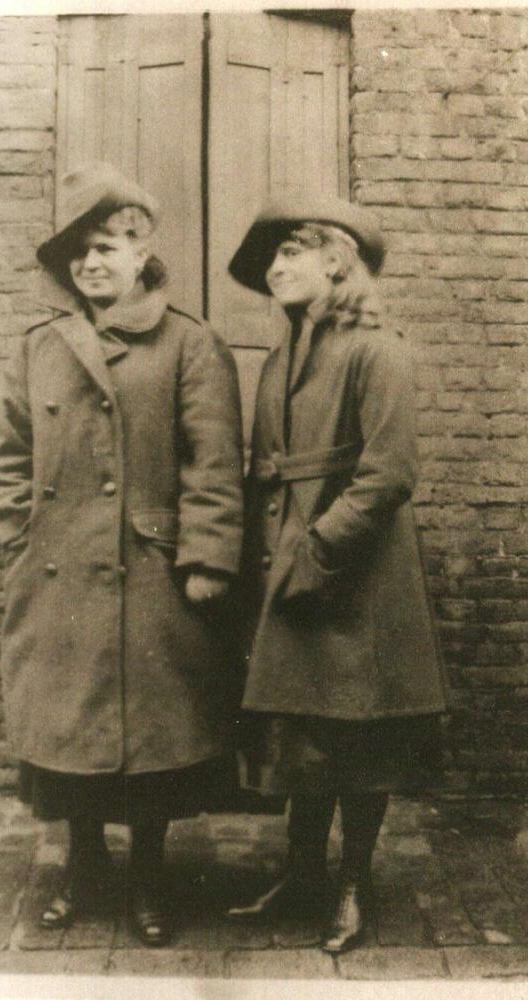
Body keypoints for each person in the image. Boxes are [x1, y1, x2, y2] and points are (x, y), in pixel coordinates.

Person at [0, 163, 244, 946]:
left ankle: (151, 877)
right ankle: (85, 869)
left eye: (104, 248)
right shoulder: (37, 348)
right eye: (77, 255)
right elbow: (2, 454)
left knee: (152, 742)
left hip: (151, 575)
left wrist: (206, 560)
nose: (91, 265)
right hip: (57, 571)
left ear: (140, 252)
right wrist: (15, 537)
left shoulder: (189, 343)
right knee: (70, 736)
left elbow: (215, 462)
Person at [225, 194, 448, 953]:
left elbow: (389, 475)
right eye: (273, 256)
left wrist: (317, 550)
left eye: (292, 250)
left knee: (360, 736)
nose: (276, 266)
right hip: (294, 561)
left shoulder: (378, 349)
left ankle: (351, 886)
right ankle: (303, 875)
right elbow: (268, 471)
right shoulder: (284, 356)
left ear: (337, 257)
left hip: (357, 572)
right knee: (303, 729)